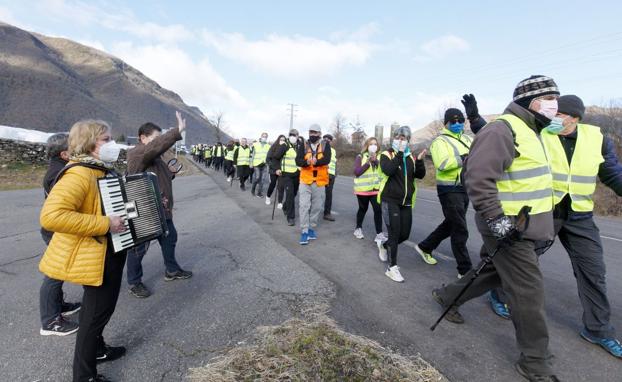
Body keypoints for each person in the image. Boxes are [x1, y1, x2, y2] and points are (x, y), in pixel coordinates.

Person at [432, 75, 561, 381]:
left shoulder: (535, 131)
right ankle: (535, 361)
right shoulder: (502, 129)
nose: (555, 105)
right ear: (530, 102)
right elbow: (477, 179)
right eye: (549, 99)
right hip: (506, 227)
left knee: (494, 272)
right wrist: (498, 222)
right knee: (529, 291)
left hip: (526, 227)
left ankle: (447, 296)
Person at [487, 95, 622, 359]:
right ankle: (498, 293)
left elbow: (613, 174)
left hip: (580, 215)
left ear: (575, 118)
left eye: (559, 115)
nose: (553, 118)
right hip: (544, 212)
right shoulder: (539, 134)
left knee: (594, 272)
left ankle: (598, 329)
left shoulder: (598, 139)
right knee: (520, 262)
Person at [39, 119, 128, 382]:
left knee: (100, 312)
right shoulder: (79, 173)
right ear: (88, 143)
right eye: (106, 139)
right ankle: (84, 376)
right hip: (97, 256)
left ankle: (98, 351)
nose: (112, 144)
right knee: (93, 316)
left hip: (108, 251)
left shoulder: (99, 169)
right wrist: (104, 223)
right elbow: (52, 216)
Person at [125, 112, 192, 299]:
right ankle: (134, 282)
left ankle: (171, 270)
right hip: (145, 211)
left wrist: (170, 173)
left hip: (163, 210)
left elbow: (160, 177)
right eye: (155, 138)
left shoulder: (155, 157)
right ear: (143, 138)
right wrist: (177, 131)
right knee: (138, 249)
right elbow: (155, 148)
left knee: (170, 238)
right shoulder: (137, 153)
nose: (159, 142)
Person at [414, 99, 484, 277]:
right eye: (453, 121)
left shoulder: (468, 138)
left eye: (461, 120)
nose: (458, 123)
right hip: (449, 190)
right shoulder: (439, 142)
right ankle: (464, 270)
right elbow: (443, 164)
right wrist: (465, 157)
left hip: (465, 187)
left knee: (451, 224)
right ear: (446, 123)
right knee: (460, 228)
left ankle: (425, 246)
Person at [39, 133, 82, 336]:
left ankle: (59, 305)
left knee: (60, 272)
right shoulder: (58, 174)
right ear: (65, 154)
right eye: (74, 147)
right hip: (57, 231)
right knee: (55, 274)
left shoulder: (59, 169)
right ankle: (50, 321)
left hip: (59, 230)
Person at [377, 126, 426, 282]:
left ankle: (385, 246)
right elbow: (388, 170)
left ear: (408, 140)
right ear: (393, 138)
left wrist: (419, 162)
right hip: (390, 200)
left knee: (404, 235)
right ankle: (392, 268)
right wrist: (398, 153)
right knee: (394, 233)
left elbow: (420, 175)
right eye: (397, 137)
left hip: (406, 202)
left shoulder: (410, 157)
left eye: (403, 138)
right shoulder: (386, 155)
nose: (400, 140)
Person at [296, 124, 331, 244]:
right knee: (304, 205)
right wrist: (306, 162)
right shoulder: (303, 145)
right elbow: (298, 160)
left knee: (317, 207)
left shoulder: (326, 145)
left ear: (319, 134)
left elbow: (327, 159)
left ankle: (311, 227)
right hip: (305, 180)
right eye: (311, 132)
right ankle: (304, 230)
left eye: (315, 132)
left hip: (320, 181)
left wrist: (317, 162)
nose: (312, 134)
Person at [352, 137, 387, 256]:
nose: (373, 146)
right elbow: (357, 172)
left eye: (375, 144)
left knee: (378, 210)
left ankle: (379, 234)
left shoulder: (381, 157)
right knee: (363, 209)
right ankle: (358, 228)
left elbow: (384, 170)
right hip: (363, 190)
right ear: (367, 145)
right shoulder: (360, 156)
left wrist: (376, 161)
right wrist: (368, 163)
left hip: (375, 189)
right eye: (371, 144)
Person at [278, 129, 302, 226]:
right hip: (286, 174)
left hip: (297, 174)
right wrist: (276, 168)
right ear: (289, 135)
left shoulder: (300, 146)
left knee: (294, 194)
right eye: (291, 135)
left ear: (297, 136)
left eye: (294, 135)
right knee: (290, 194)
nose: (293, 136)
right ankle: (290, 217)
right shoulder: (284, 145)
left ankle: (285, 206)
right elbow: (275, 157)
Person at [265, 135, 287, 206]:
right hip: (273, 169)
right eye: (281, 139)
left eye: (284, 140)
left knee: (281, 186)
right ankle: (268, 197)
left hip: (282, 169)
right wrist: (275, 169)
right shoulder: (273, 147)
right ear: (278, 140)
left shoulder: (285, 148)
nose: (282, 141)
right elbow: (268, 159)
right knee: (273, 184)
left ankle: (280, 202)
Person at [251, 132, 270, 197]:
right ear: (261, 136)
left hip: (264, 164)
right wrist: (251, 163)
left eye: (265, 137)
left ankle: (259, 193)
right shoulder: (255, 144)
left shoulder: (268, 146)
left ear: (267, 138)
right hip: (256, 164)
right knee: (257, 177)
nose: (264, 138)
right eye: (263, 136)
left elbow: (269, 156)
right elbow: (253, 155)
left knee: (262, 180)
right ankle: (253, 189)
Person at [323, 134, 337, 221]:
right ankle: (311, 211)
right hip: (321, 175)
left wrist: (335, 173)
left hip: (331, 175)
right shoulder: (320, 148)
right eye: (325, 139)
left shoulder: (333, 151)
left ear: (331, 142)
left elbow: (334, 162)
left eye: (329, 139)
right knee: (317, 195)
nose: (327, 140)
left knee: (329, 195)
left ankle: (327, 213)